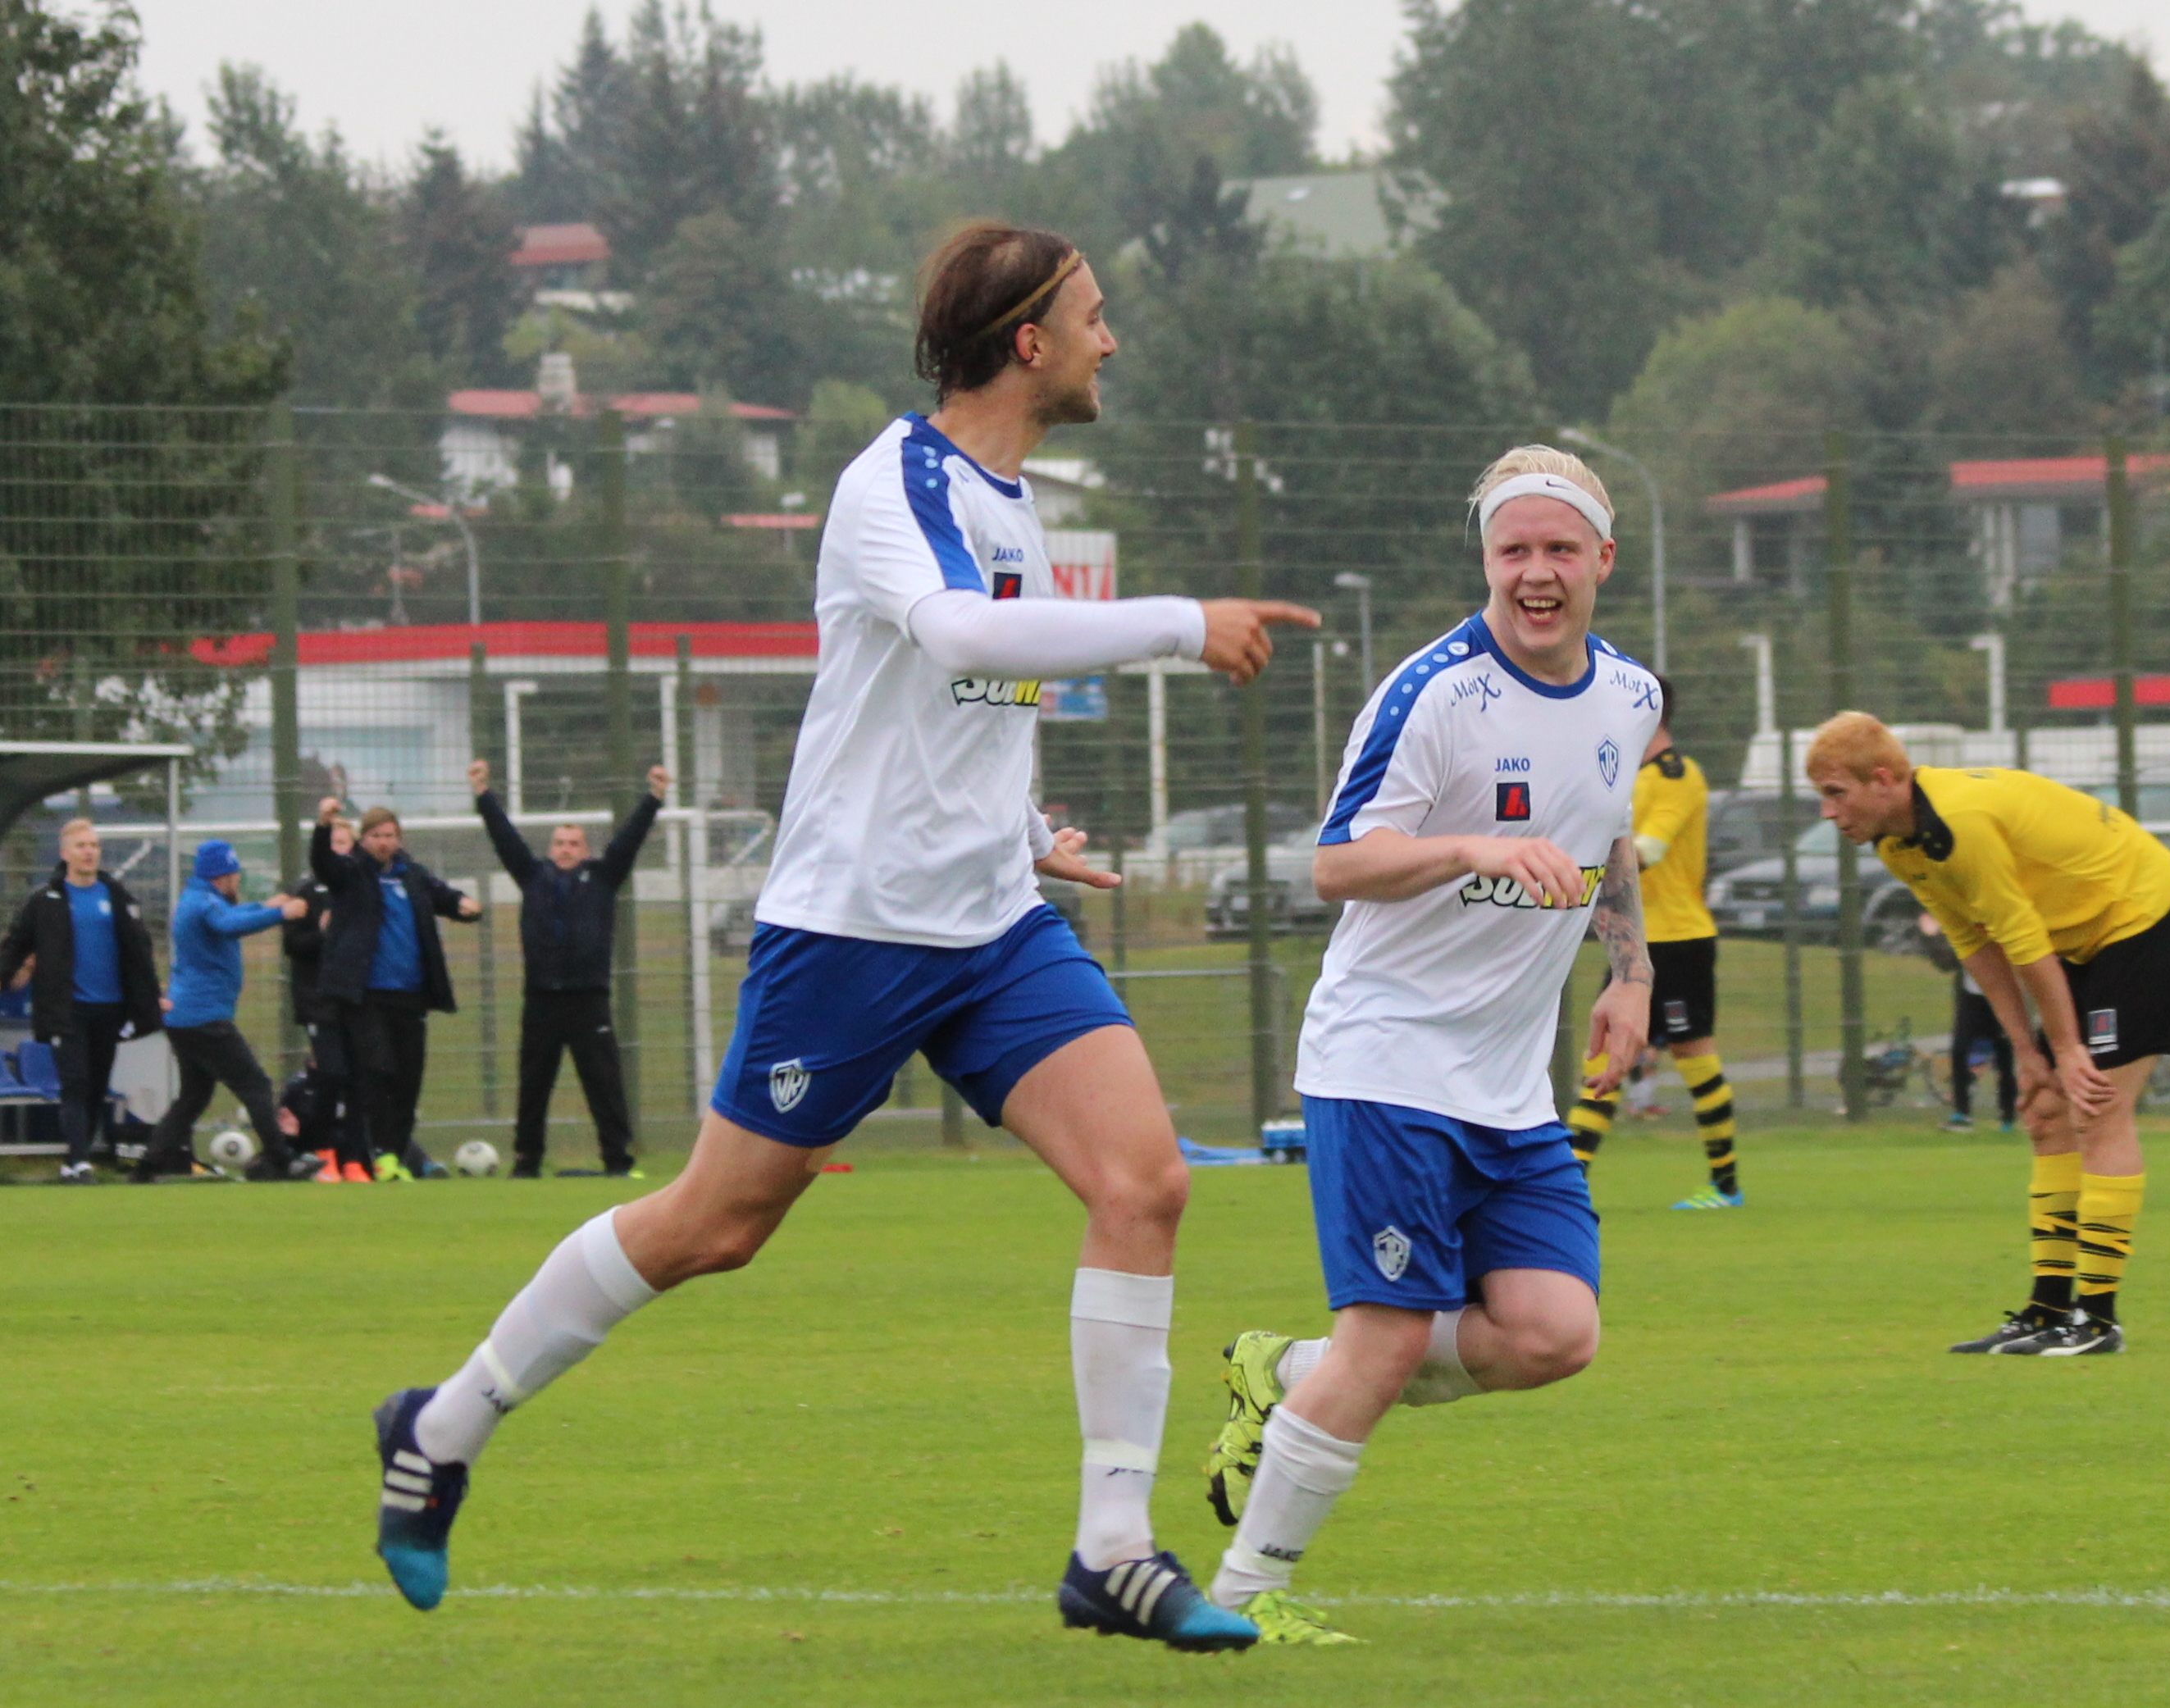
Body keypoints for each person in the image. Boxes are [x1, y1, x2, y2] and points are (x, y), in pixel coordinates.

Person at [367, 221, 1316, 1651]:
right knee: (715, 1224)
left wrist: (1020, 832)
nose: (1110, 340)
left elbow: (959, 712)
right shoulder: (895, 481)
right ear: (1027, 342)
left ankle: (1111, 1549)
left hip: (992, 928)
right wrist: (1183, 621)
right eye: (1093, 316)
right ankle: (441, 1424)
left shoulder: (1009, 505)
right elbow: (957, 638)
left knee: (1146, 1179)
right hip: (853, 931)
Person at [1197, 445, 1657, 1645]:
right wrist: (1469, 847)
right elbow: (1335, 863)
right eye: (1514, 550)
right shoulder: (1433, 693)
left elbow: (1607, 833)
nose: (1536, 572)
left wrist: (1630, 969)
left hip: (1507, 1085)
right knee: (1390, 1333)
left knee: (1554, 1331)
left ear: (1603, 559)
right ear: (1486, 560)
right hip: (1386, 1060)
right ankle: (1239, 1600)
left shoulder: (1631, 694)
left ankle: (1284, 1371)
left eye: (1560, 549)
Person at [1804, 714, 2170, 1357]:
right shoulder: (1897, 844)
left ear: (1882, 779)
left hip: (2145, 918)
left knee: (2096, 1106)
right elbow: (1975, 944)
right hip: (2082, 940)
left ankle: (2097, 1319)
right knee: (2046, 1112)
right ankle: (2048, 1309)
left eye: (1835, 793)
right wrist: (2026, 1051)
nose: (1827, 811)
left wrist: (2066, 1049)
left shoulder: (1960, 822)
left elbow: (2023, 940)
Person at [1561, 681, 1742, 1208]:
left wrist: (1579, 868)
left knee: (1692, 1053)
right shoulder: (1623, 775)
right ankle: (1566, 1188)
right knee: (1603, 1058)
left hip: (1680, 939)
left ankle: (1725, 1187)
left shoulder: (1678, 777)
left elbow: (1649, 850)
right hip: (1632, 938)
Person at [467, 760, 667, 1178]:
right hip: (542, 997)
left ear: (585, 851)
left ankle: (617, 1160)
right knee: (534, 1083)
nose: (566, 849)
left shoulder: (602, 878)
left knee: (603, 1082)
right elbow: (505, 838)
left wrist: (653, 799)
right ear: (550, 848)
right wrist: (483, 794)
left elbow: (629, 841)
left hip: (588, 998)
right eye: (559, 843)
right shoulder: (533, 876)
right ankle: (527, 1160)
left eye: (574, 844)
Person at [309, 800, 481, 1183]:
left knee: (408, 1079)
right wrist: (322, 826)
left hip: (410, 995)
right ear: (364, 839)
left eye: (390, 835)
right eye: (376, 836)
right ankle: (380, 1154)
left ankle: (396, 1155)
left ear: (399, 838)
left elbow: (441, 895)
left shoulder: (412, 875)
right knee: (378, 1071)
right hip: (368, 994)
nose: (384, 842)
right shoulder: (352, 873)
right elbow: (324, 864)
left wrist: (461, 904)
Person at [134, 841, 317, 1183]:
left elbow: (230, 915)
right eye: (235, 875)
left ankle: (148, 1165)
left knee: (194, 1096)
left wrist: (264, 906)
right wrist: (280, 914)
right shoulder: (204, 904)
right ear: (223, 876)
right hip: (203, 1017)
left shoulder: (201, 898)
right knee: (256, 1084)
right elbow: (229, 924)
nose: (238, 881)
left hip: (187, 1017)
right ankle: (282, 1159)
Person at [0, 818, 163, 1183]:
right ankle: (79, 1160)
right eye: (81, 846)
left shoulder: (117, 896)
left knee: (95, 1084)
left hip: (110, 1008)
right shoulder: (46, 900)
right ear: (65, 854)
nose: (89, 852)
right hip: (67, 1008)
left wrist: (151, 998)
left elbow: (139, 953)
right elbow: (16, 945)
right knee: (74, 1081)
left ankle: (75, 1160)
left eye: (94, 845)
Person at [282, 817, 365, 1178]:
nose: (337, 850)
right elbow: (293, 944)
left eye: (343, 843)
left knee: (359, 1078)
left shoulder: (361, 888)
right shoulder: (306, 891)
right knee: (330, 1074)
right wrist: (322, 934)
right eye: (331, 843)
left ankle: (355, 1159)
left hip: (357, 1000)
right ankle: (324, 1151)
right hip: (319, 1002)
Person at [1921, 912, 2017, 1133]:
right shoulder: (1965, 927)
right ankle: (1962, 1113)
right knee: (1960, 1050)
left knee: (2004, 1056)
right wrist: (1932, 936)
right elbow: (1946, 963)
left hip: (2001, 996)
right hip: (1972, 997)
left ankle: (2008, 1116)